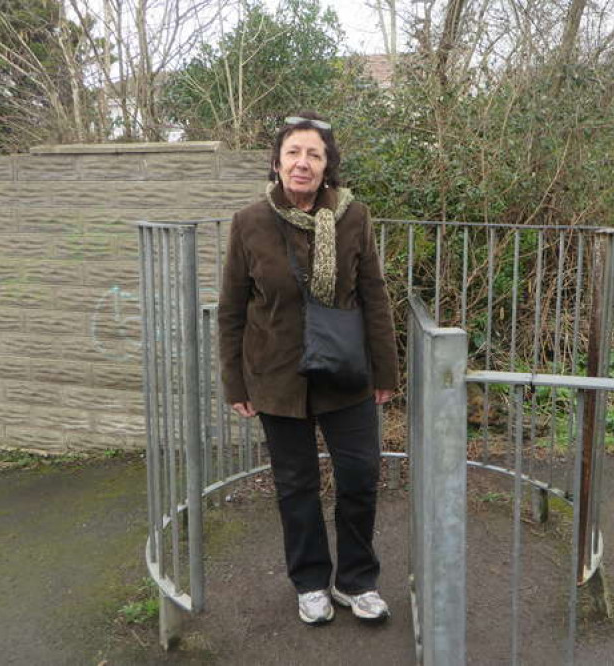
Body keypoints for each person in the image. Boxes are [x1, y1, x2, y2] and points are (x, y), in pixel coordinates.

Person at [217, 112, 398, 626]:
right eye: (294, 153)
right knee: (295, 486)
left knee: (360, 477)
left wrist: (385, 372)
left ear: (327, 166)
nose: (303, 163)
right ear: (277, 163)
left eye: (314, 154)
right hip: (277, 376)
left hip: (344, 371)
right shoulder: (249, 222)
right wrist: (235, 380)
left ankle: (357, 580)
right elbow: (232, 307)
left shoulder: (353, 217)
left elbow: (374, 296)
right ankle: (311, 581)